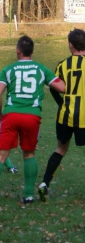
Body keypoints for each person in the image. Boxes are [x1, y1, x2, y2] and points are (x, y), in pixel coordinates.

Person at [0, 35, 65, 208]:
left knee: (0, 155)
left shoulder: (8, 70)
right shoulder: (41, 69)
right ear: (32, 51)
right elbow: (62, 88)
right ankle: (28, 196)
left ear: (17, 51)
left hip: (11, 115)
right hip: (32, 116)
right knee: (29, 154)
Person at [38, 28, 85, 202]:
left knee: (61, 149)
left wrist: (61, 103)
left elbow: (53, 86)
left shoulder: (62, 65)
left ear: (70, 45)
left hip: (65, 115)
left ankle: (44, 184)